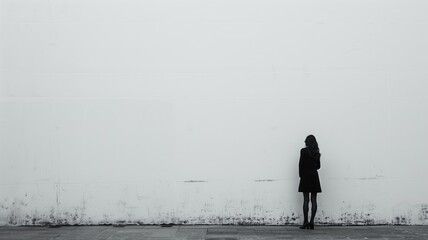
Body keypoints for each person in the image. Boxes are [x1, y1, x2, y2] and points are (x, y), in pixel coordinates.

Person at [298, 135, 322, 229]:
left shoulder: (303, 151)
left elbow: (301, 164)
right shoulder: (317, 152)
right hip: (314, 176)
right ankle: (312, 222)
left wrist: (301, 175)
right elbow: (318, 166)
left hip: (305, 175)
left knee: (306, 199)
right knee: (314, 199)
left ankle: (305, 222)